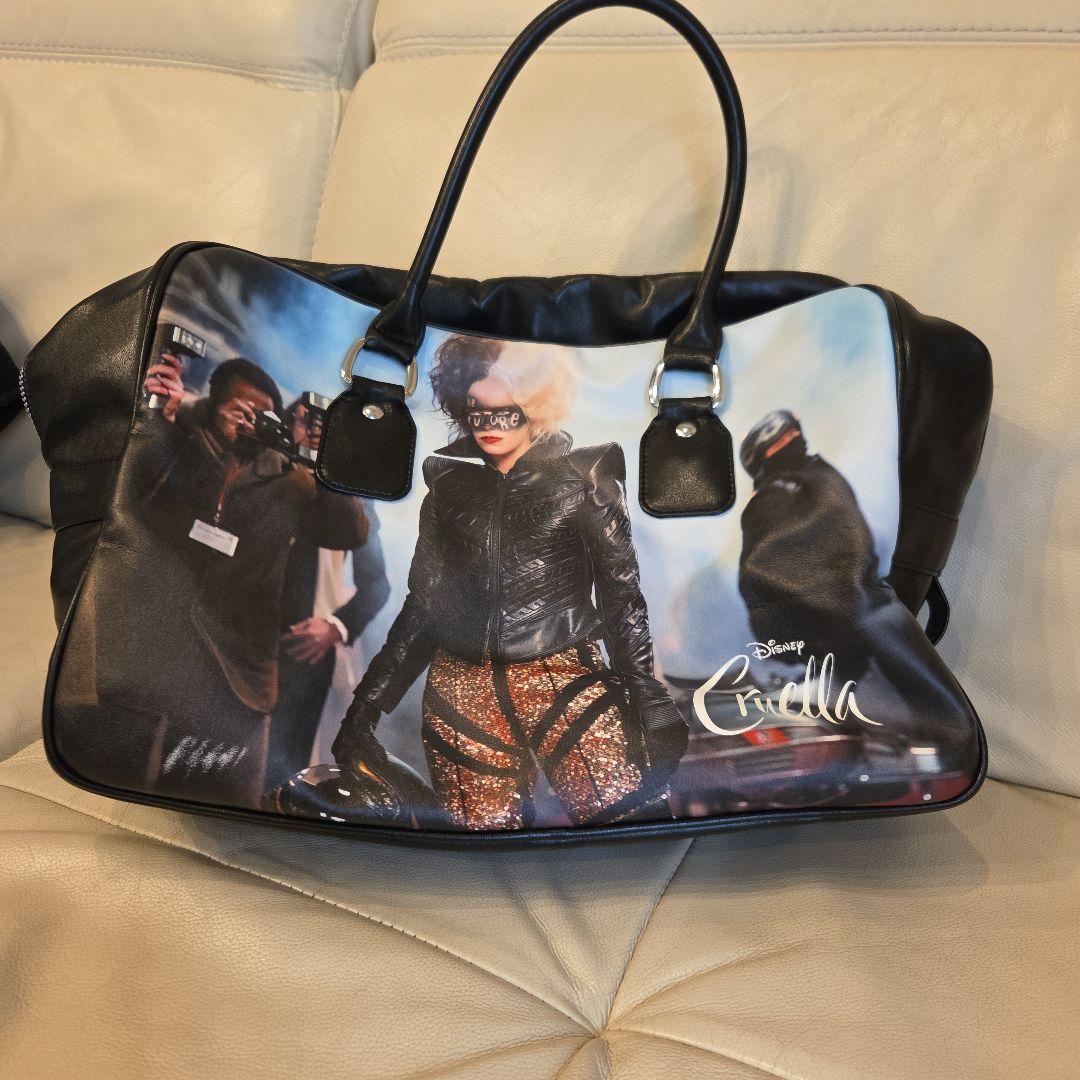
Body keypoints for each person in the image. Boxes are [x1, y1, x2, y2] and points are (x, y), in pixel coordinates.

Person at [330, 334, 688, 831]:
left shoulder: (585, 476)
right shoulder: (447, 490)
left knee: (633, 831)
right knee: (484, 854)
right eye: (477, 411)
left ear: (536, 405)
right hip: (461, 691)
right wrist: (365, 707)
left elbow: (621, 597)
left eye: (505, 411)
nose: (489, 425)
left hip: (564, 677)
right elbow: (422, 607)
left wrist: (647, 693)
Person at [103, 352, 369, 808]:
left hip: (237, 674)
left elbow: (350, 532)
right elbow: (128, 502)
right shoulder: (182, 446)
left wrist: (334, 464)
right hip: (149, 653)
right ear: (212, 403)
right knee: (122, 784)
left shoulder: (290, 481)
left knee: (219, 798)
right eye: (239, 404)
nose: (248, 417)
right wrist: (158, 420)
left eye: (261, 411)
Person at [270, 398, 390, 792]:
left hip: (305, 645)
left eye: (327, 425)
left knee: (284, 767)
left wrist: (335, 626)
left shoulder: (354, 497)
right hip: (240, 630)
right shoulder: (264, 470)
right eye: (307, 419)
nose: (315, 430)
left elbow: (377, 584)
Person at [738, 409, 883, 681]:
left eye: (795, 433)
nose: (795, 439)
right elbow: (758, 582)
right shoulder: (775, 497)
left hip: (861, 613)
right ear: (765, 454)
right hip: (833, 632)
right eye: (784, 438)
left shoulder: (817, 476)